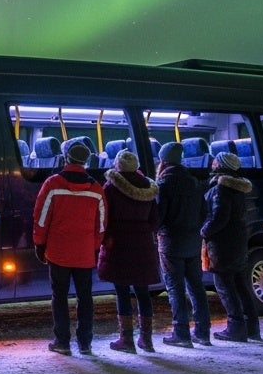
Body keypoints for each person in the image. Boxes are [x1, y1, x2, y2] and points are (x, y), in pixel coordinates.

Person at [32, 141, 107, 355]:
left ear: (66, 158)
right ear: (86, 161)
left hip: (58, 251)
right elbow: (101, 224)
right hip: (84, 253)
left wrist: (39, 244)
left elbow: (41, 217)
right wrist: (93, 247)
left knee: (60, 296)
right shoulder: (96, 189)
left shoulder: (53, 184)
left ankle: (62, 341)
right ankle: (85, 343)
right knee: (85, 297)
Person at [98, 149, 161, 353]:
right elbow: (155, 221)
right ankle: (147, 340)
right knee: (143, 292)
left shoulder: (111, 187)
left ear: (118, 165)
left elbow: (104, 215)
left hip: (119, 244)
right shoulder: (148, 188)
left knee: (122, 291)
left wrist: (105, 237)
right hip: (143, 244)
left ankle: (126, 340)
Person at [155, 141, 212, 347]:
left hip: (171, 242)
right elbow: (204, 212)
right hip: (192, 241)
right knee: (196, 287)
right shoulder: (195, 183)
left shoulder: (163, 184)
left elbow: (158, 216)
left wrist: (155, 231)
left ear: (163, 161)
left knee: (175, 288)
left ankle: (181, 334)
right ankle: (203, 333)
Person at [201, 150, 260, 342]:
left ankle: (236, 328)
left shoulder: (220, 189)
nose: (212, 163)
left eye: (215, 161)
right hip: (238, 241)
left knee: (225, 287)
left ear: (220, 165)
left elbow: (219, 217)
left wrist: (203, 231)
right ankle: (252, 327)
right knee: (241, 286)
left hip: (222, 245)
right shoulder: (238, 188)